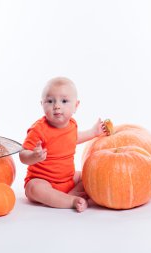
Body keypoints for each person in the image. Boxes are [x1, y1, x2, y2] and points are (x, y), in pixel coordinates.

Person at [19, 77, 107, 212]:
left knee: (88, 176)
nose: (57, 106)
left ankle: (66, 195)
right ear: (42, 104)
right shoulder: (38, 129)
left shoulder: (72, 125)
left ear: (76, 106)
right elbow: (22, 155)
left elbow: (74, 139)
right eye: (50, 101)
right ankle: (71, 201)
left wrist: (94, 132)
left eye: (64, 101)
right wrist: (33, 156)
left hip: (68, 179)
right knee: (33, 188)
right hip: (44, 181)